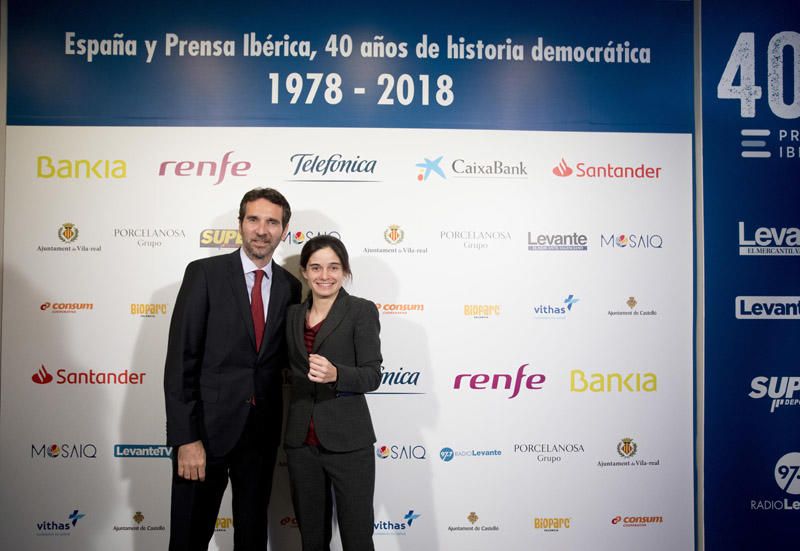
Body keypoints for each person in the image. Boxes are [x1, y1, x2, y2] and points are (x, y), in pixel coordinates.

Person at [164, 188, 302, 551]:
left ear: (284, 230)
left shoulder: (291, 287)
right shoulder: (204, 274)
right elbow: (181, 361)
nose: (261, 230)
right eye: (253, 219)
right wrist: (185, 438)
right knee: (189, 537)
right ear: (240, 225)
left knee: (252, 536)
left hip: (260, 435)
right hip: (205, 436)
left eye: (272, 222)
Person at [284, 235, 382, 551]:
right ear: (304, 271)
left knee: (357, 538)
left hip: (350, 444)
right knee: (312, 539)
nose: (324, 275)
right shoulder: (292, 315)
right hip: (301, 443)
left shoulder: (361, 311)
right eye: (316, 267)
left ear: (344, 271)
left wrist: (337, 374)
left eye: (333, 267)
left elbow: (372, 375)